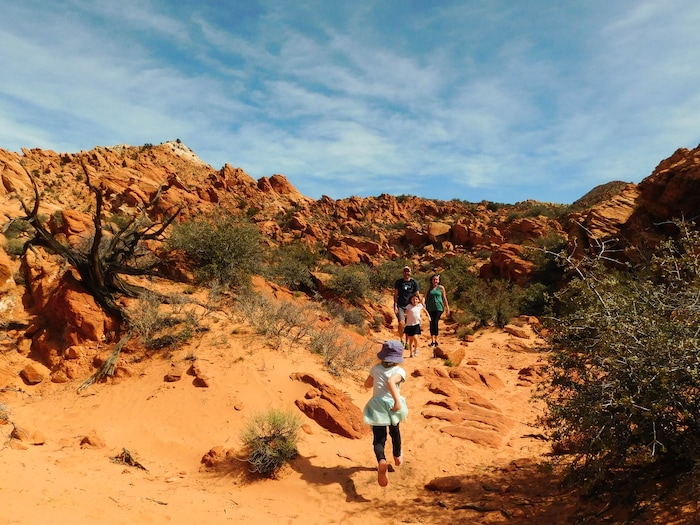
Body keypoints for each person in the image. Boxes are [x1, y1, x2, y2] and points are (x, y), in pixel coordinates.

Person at [363, 340, 408, 487]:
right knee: (395, 432)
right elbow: (390, 382)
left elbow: (367, 385)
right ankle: (397, 456)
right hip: (391, 405)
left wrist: (375, 378)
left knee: (378, 439)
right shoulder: (399, 371)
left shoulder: (376, 369)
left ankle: (382, 460)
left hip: (376, 405)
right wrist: (397, 401)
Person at [393, 266, 419, 348]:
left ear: (410, 272)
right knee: (401, 323)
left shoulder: (414, 282)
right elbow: (395, 294)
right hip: (401, 306)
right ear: (403, 272)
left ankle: (407, 342)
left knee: (408, 325)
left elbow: (417, 294)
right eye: (405, 271)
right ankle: (401, 340)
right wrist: (395, 306)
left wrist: (418, 305)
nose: (406, 273)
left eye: (408, 271)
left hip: (410, 306)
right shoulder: (399, 282)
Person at [425, 274, 450, 347]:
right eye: (434, 279)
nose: (435, 281)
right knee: (431, 322)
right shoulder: (428, 288)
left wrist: (447, 307)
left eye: (436, 279)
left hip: (439, 307)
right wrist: (422, 302)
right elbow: (424, 296)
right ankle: (432, 340)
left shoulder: (441, 288)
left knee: (435, 322)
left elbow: (444, 298)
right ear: (431, 280)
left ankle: (436, 340)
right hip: (430, 307)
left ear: (438, 281)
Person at [404, 292, 424, 357]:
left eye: (416, 299)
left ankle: (416, 349)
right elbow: (406, 312)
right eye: (413, 299)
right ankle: (411, 353)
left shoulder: (419, 306)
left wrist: (428, 317)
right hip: (409, 325)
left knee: (415, 337)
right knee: (411, 339)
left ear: (418, 300)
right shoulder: (409, 306)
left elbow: (425, 310)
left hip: (416, 324)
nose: (414, 300)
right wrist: (405, 315)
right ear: (411, 300)